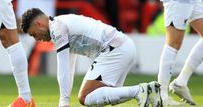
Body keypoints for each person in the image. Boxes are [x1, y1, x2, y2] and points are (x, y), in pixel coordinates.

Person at [21, 8, 163, 107]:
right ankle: (151, 94)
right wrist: (63, 102)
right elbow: (69, 66)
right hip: (123, 46)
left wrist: (64, 102)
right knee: (99, 98)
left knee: (85, 96)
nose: (36, 39)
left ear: (39, 24)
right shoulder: (61, 23)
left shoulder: (57, 29)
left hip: (114, 49)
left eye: (33, 34)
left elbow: (63, 66)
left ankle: (140, 90)